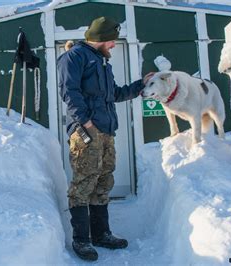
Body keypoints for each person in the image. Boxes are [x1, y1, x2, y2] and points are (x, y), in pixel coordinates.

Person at [57, 17, 146, 261]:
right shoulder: (73, 57)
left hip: (106, 131)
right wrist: (86, 123)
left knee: (103, 180)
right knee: (84, 182)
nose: (114, 46)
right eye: (111, 41)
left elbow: (114, 94)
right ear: (100, 38)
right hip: (87, 132)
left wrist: (141, 85)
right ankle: (81, 240)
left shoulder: (101, 62)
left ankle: (101, 234)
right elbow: (69, 92)